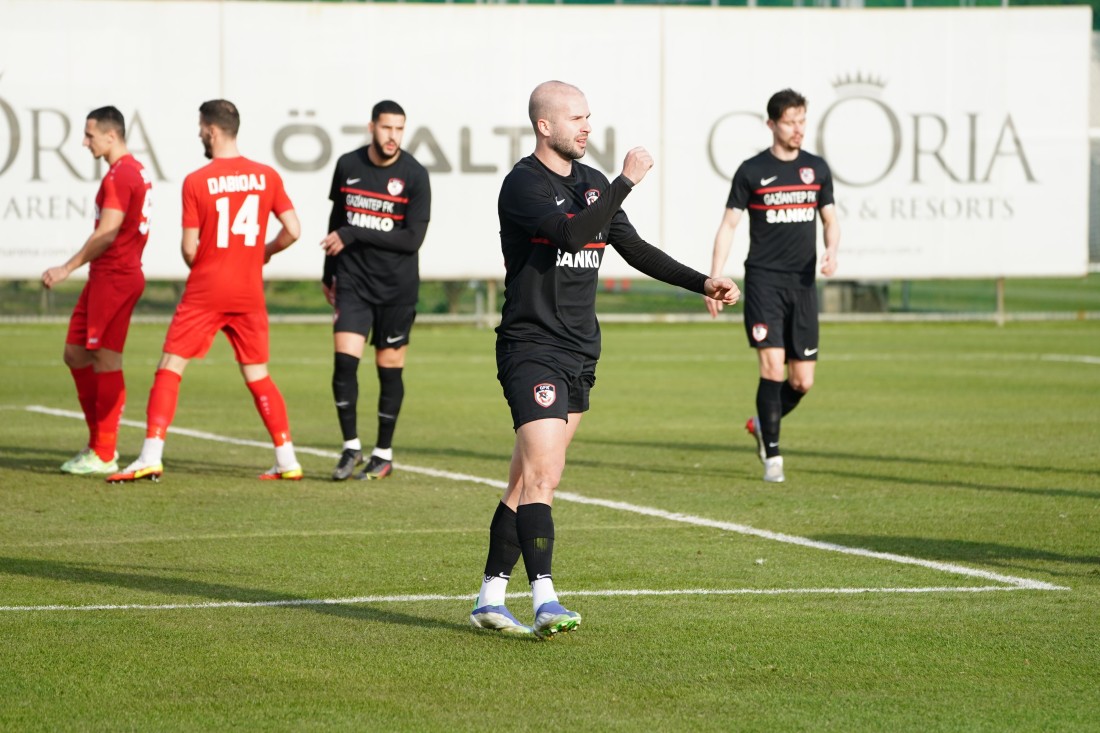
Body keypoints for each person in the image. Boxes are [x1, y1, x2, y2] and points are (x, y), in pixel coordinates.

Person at [469, 81, 740, 638]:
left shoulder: (593, 185)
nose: (587, 127)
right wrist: (626, 183)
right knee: (545, 472)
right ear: (545, 126)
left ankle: (489, 596)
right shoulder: (523, 184)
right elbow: (572, 231)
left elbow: (632, 247)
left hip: (580, 349)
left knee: (527, 478)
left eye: (589, 117)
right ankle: (545, 598)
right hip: (531, 346)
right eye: (576, 118)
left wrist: (701, 283)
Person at [107, 99, 303, 483]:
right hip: (248, 291)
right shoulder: (267, 176)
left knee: (170, 367)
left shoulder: (197, 181)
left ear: (212, 130)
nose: (199, 133)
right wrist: (262, 253)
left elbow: (188, 248)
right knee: (258, 374)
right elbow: (294, 230)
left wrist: (207, 266)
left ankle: (150, 454)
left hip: (207, 289)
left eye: (201, 127)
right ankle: (287, 458)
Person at [706, 88, 840, 484]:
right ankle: (774, 458)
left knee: (803, 381)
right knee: (772, 369)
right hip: (764, 282)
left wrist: (832, 250)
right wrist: (713, 278)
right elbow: (728, 225)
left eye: (802, 121)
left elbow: (830, 220)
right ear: (772, 124)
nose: (798, 129)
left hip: (802, 286)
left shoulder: (817, 169)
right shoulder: (751, 171)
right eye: (790, 122)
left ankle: (763, 424)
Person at [320, 100, 431, 481]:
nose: (393, 136)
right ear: (372, 127)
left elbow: (412, 239)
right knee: (344, 362)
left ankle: (383, 452)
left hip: (396, 288)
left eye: (399, 129)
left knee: (389, 370)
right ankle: (350, 446)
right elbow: (337, 221)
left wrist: (354, 233)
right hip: (353, 281)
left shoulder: (415, 174)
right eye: (386, 128)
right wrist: (328, 273)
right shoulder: (348, 165)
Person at [43, 106, 152, 475]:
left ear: (112, 136)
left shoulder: (122, 175)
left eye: (90, 135)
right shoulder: (125, 171)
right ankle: (97, 444)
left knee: (106, 360)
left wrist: (66, 268)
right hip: (105, 278)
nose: (84, 141)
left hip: (116, 278)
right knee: (75, 353)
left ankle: (103, 451)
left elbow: (107, 233)